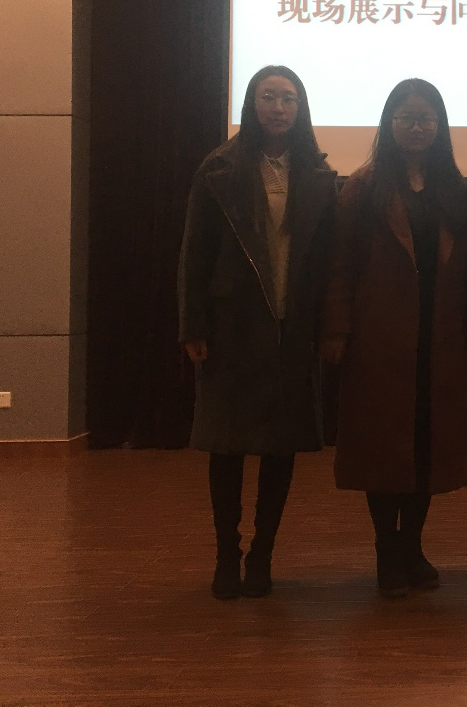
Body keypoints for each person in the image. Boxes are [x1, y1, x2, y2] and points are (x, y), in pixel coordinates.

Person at [178, 65, 337, 600]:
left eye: (288, 98)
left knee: (279, 446)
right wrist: (193, 323)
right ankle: (227, 553)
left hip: (293, 326)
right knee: (227, 446)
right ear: (251, 104)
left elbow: (327, 263)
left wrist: (328, 326)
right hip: (233, 324)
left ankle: (263, 553)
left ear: (300, 107)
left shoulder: (317, 172)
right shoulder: (219, 168)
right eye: (268, 96)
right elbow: (194, 253)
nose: (278, 106)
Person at [321, 79, 467, 598]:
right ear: (389, 123)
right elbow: (340, 266)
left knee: (426, 446)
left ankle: (413, 545)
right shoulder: (363, 186)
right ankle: (387, 549)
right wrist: (337, 329)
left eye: (426, 118)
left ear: (440, 127)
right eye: (406, 117)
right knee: (385, 448)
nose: (417, 126)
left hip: (438, 336)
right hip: (379, 337)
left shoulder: (453, 187)